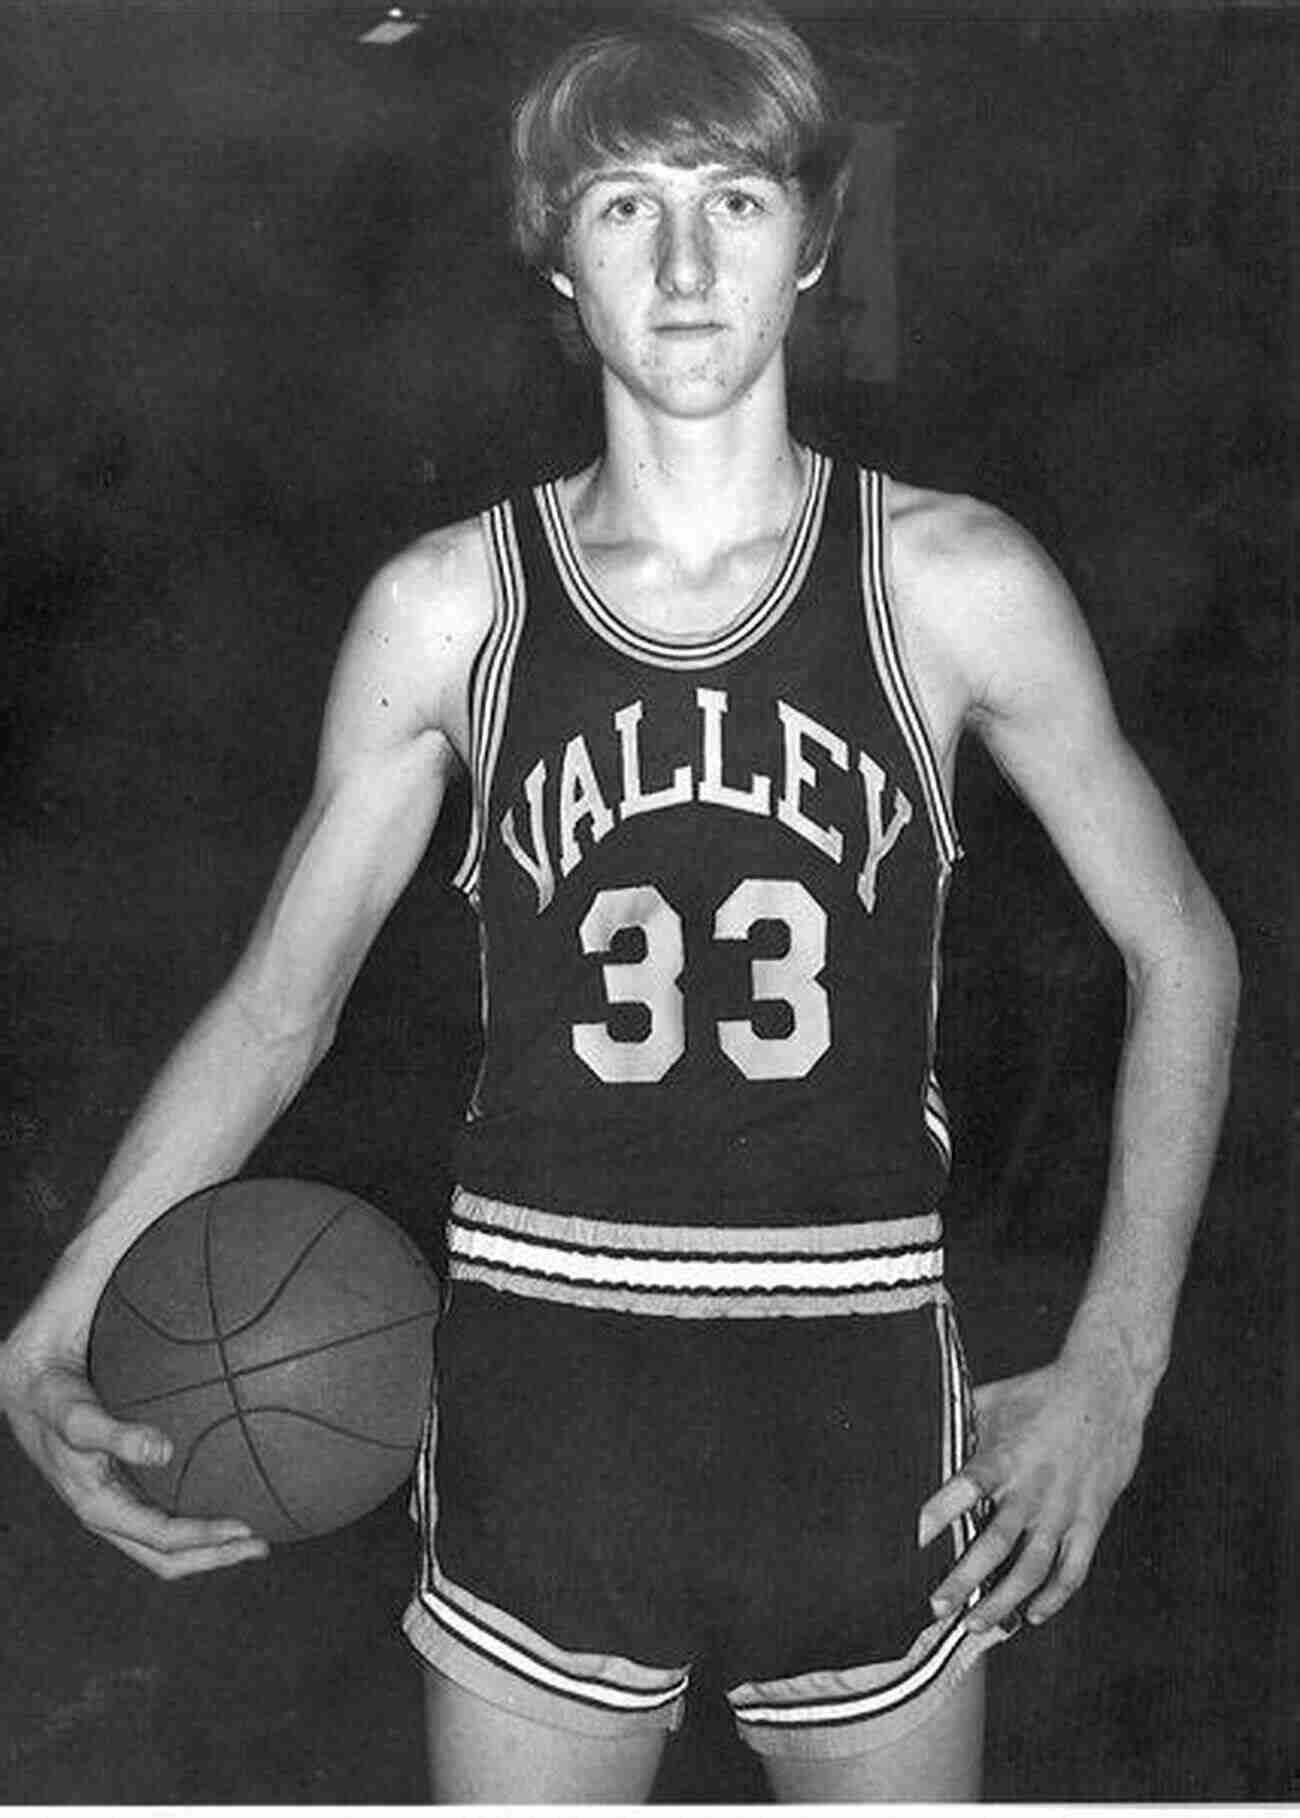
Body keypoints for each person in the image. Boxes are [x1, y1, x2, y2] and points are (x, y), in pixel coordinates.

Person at [0, 1, 1239, 1803]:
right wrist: (57, 1310)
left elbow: (1181, 945)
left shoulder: (952, 581)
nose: (677, 262)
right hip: (545, 1409)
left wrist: (1118, 1365)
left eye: (732, 202)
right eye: (621, 207)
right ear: (556, 261)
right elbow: (283, 1006)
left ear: (813, 242)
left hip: (863, 1407)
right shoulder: (450, 607)